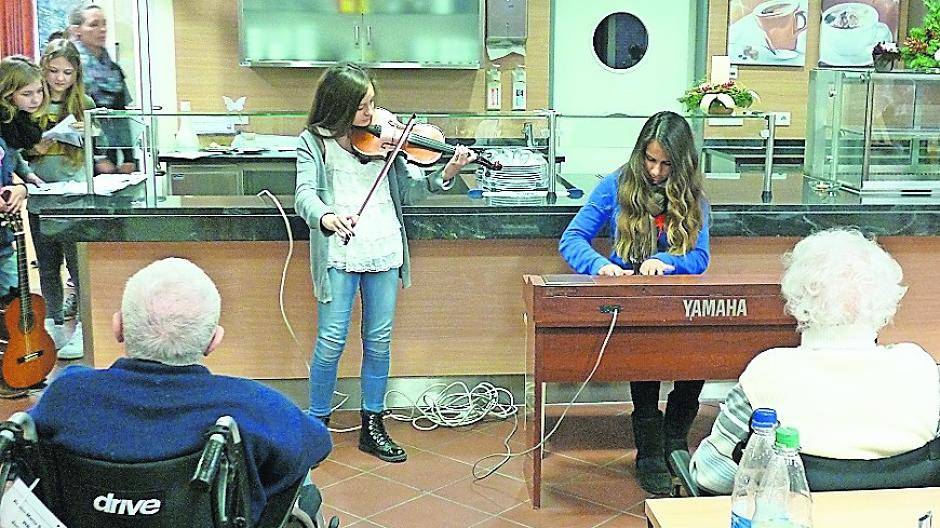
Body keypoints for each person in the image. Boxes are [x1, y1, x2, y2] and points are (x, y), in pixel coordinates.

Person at [28, 258, 333, 525]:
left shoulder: (66, 395)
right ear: (213, 341)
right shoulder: (254, 405)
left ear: (118, 327)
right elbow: (318, 445)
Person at [295, 63, 476, 463]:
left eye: (373, 104)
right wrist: (326, 216)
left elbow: (415, 187)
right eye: (363, 107)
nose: (372, 115)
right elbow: (304, 194)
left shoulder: (385, 138)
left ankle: (372, 425)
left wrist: (448, 169)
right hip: (340, 248)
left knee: (378, 341)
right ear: (339, 106)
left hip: (383, 245)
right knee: (330, 341)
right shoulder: (313, 142)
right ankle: (315, 425)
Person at [690, 228, 940, 494]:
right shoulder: (920, 368)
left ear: (797, 300)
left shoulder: (768, 372)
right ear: (886, 302)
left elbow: (709, 475)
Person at [558, 110, 710, 495]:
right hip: (634, 301)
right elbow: (573, 238)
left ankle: (676, 442)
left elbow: (700, 258)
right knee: (645, 371)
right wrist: (600, 266)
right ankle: (649, 450)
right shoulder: (615, 186)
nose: (656, 171)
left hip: (681, 303)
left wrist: (669, 262)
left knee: (693, 370)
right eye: (650, 160)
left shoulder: (693, 195)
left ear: (682, 163)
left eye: (666, 164)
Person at [28, 38, 98, 360]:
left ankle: (84, 327)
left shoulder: (85, 103)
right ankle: (55, 325)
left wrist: (87, 135)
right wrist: (34, 147)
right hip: (38, 192)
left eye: (67, 72)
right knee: (46, 263)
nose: (59, 79)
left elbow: (101, 147)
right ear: (43, 69)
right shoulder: (31, 102)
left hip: (73, 192)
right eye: (53, 71)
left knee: (77, 262)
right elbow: (15, 150)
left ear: (76, 74)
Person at [68, 4, 134, 174]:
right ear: (77, 30)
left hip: (111, 153)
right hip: (77, 155)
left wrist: (128, 157)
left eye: (104, 24)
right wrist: (97, 157)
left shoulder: (114, 69)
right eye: (94, 24)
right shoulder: (69, 70)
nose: (102, 29)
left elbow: (122, 115)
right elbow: (71, 117)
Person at [0, 55, 48, 187]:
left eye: (39, 91)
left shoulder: (19, 119)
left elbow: (13, 152)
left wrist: (28, 174)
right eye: (27, 94)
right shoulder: (5, 126)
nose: (36, 100)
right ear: (7, 94)